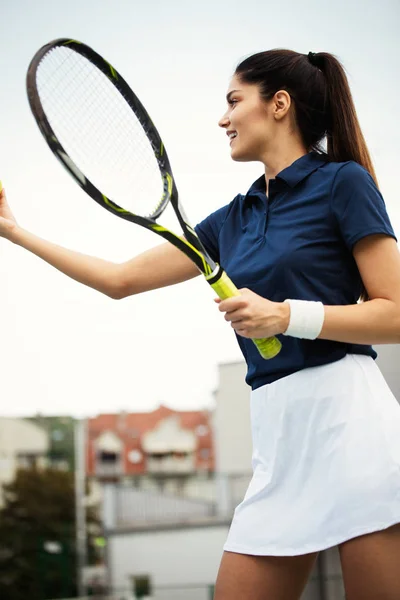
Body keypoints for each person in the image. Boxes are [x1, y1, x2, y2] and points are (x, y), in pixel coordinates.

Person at [1, 49, 400, 599]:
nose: (223, 118)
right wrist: (15, 231)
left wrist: (286, 315)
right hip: (278, 442)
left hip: (354, 431)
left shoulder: (342, 184)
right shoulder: (230, 220)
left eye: (234, 101)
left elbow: (396, 313)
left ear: (279, 105)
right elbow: (119, 280)